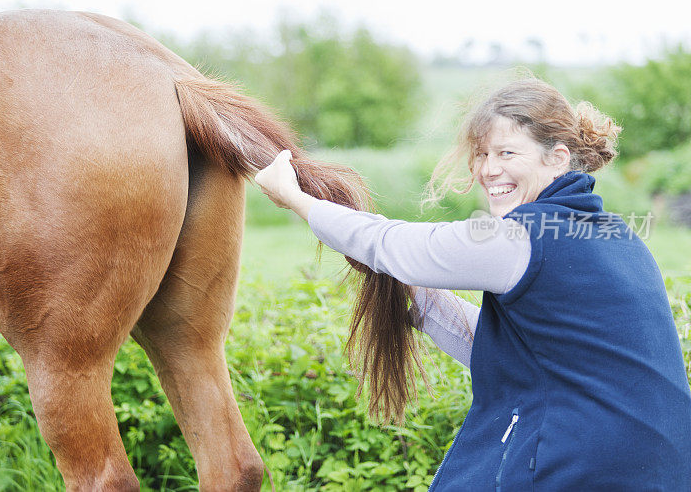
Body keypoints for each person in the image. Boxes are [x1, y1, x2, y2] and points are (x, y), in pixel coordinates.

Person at [254, 78, 691, 490]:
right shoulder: (618, 235)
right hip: (657, 469)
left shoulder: (520, 236)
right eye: (482, 154)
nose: (488, 169)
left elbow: (391, 244)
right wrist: (416, 295)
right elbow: (519, 351)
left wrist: (295, 198)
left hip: (580, 467)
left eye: (507, 154)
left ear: (556, 158)